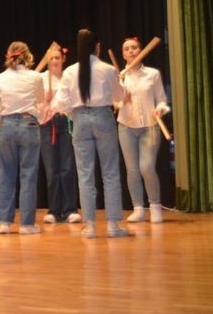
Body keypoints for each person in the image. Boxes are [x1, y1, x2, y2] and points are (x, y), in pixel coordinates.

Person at [51, 29, 128, 239]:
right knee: (110, 172)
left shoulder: (69, 72)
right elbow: (120, 95)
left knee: (85, 174)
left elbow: (61, 103)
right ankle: (113, 225)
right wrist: (120, 82)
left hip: (80, 120)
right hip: (103, 117)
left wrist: (72, 112)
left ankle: (91, 226)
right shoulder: (108, 69)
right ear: (98, 46)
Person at [0, 42, 44, 235]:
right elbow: (40, 99)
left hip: (7, 126)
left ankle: (3, 222)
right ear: (27, 56)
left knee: (5, 174)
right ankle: (27, 225)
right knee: (28, 175)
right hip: (29, 124)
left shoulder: (0, 79)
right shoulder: (35, 77)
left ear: (8, 56)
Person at [117, 37, 170, 224]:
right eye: (127, 49)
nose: (131, 51)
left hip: (150, 127)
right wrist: (120, 100)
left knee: (146, 167)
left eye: (134, 48)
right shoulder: (119, 76)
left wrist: (160, 109)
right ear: (123, 54)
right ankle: (138, 208)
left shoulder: (153, 74)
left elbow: (162, 100)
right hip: (126, 127)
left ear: (140, 50)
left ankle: (155, 206)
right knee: (132, 170)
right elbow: (113, 103)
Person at [38, 46, 82, 224]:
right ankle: (54, 210)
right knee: (51, 169)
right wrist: (44, 101)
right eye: (51, 59)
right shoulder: (40, 79)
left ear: (63, 59)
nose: (54, 61)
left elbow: (77, 101)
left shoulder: (69, 77)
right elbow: (34, 106)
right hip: (47, 125)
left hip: (66, 123)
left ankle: (70, 209)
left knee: (67, 167)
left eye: (57, 58)